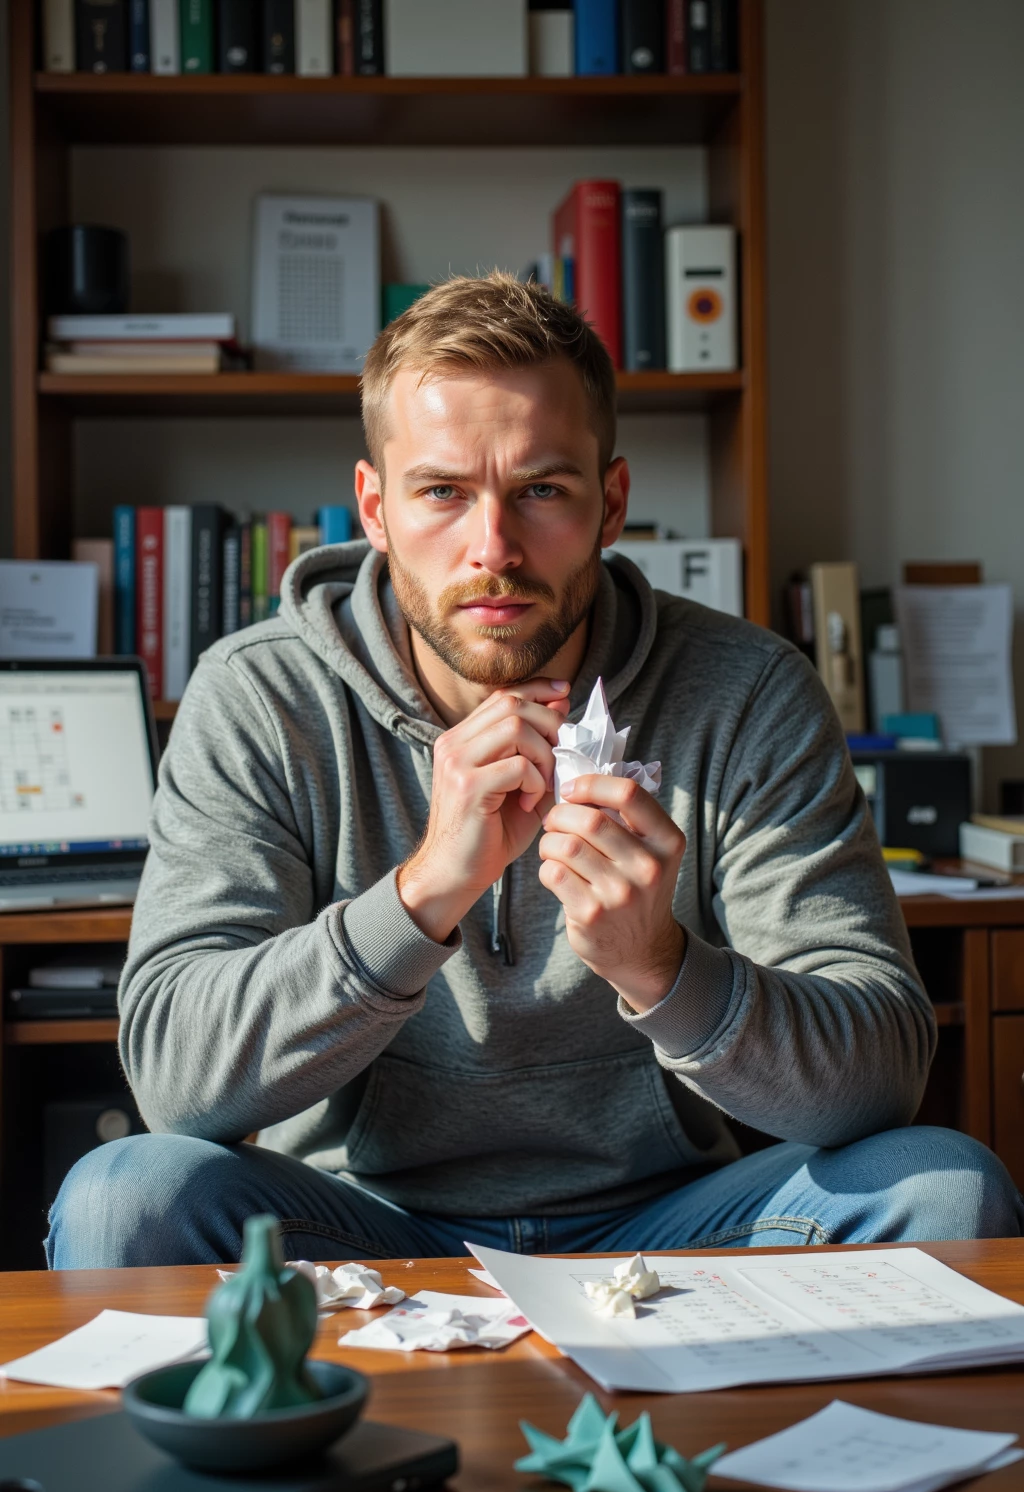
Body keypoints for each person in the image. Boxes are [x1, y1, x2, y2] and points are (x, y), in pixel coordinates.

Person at [48, 274, 1021, 1269]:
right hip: (358, 1221)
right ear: (374, 508)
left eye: (541, 490)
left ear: (611, 501)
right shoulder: (260, 696)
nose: (493, 550)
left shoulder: (747, 692)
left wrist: (664, 970)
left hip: (670, 1223)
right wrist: (423, 894)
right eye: (441, 493)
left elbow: (879, 1081)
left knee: (945, 1188)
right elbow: (174, 1078)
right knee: (125, 1197)